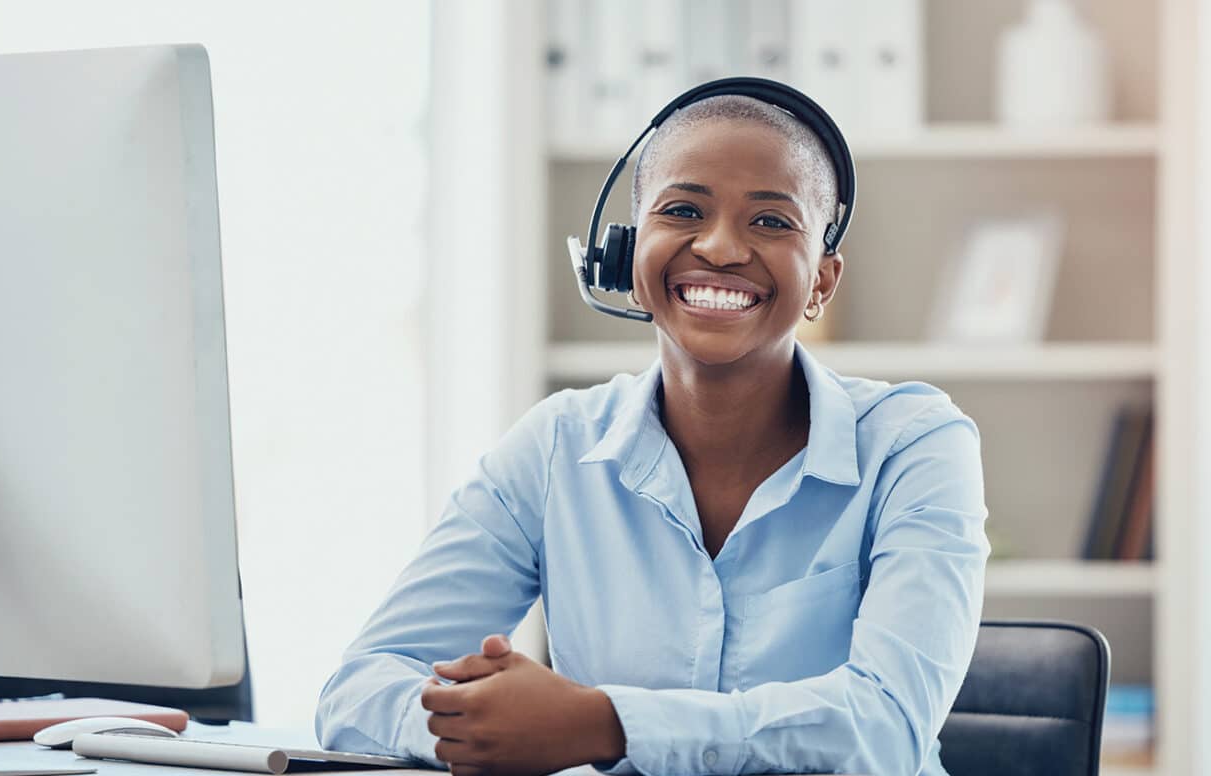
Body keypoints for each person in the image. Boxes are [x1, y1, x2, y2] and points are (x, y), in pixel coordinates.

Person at [315, 88, 990, 776]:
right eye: (683, 211)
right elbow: (360, 688)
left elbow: (888, 726)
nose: (722, 247)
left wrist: (605, 725)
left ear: (821, 280)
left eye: (770, 220)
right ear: (624, 255)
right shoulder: (556, 448)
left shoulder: (916, 445)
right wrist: (474, 728)